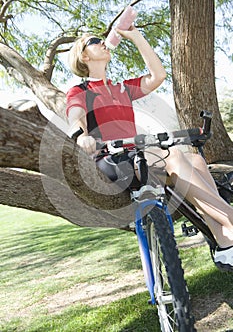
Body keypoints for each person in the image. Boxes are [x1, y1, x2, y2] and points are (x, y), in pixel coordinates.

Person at [66, 26, 233, 271]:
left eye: (102, 39)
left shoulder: (121, 88)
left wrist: (136, 36)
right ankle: (229, 219)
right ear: (84, 57)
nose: (102, 42)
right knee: (172, 154)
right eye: (94, 41)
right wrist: (81, 136)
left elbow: (158, 75)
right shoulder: (80, 91)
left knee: (195, 161)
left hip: (140, 156)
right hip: (113, 161)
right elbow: (74, 114)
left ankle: (224, 242)